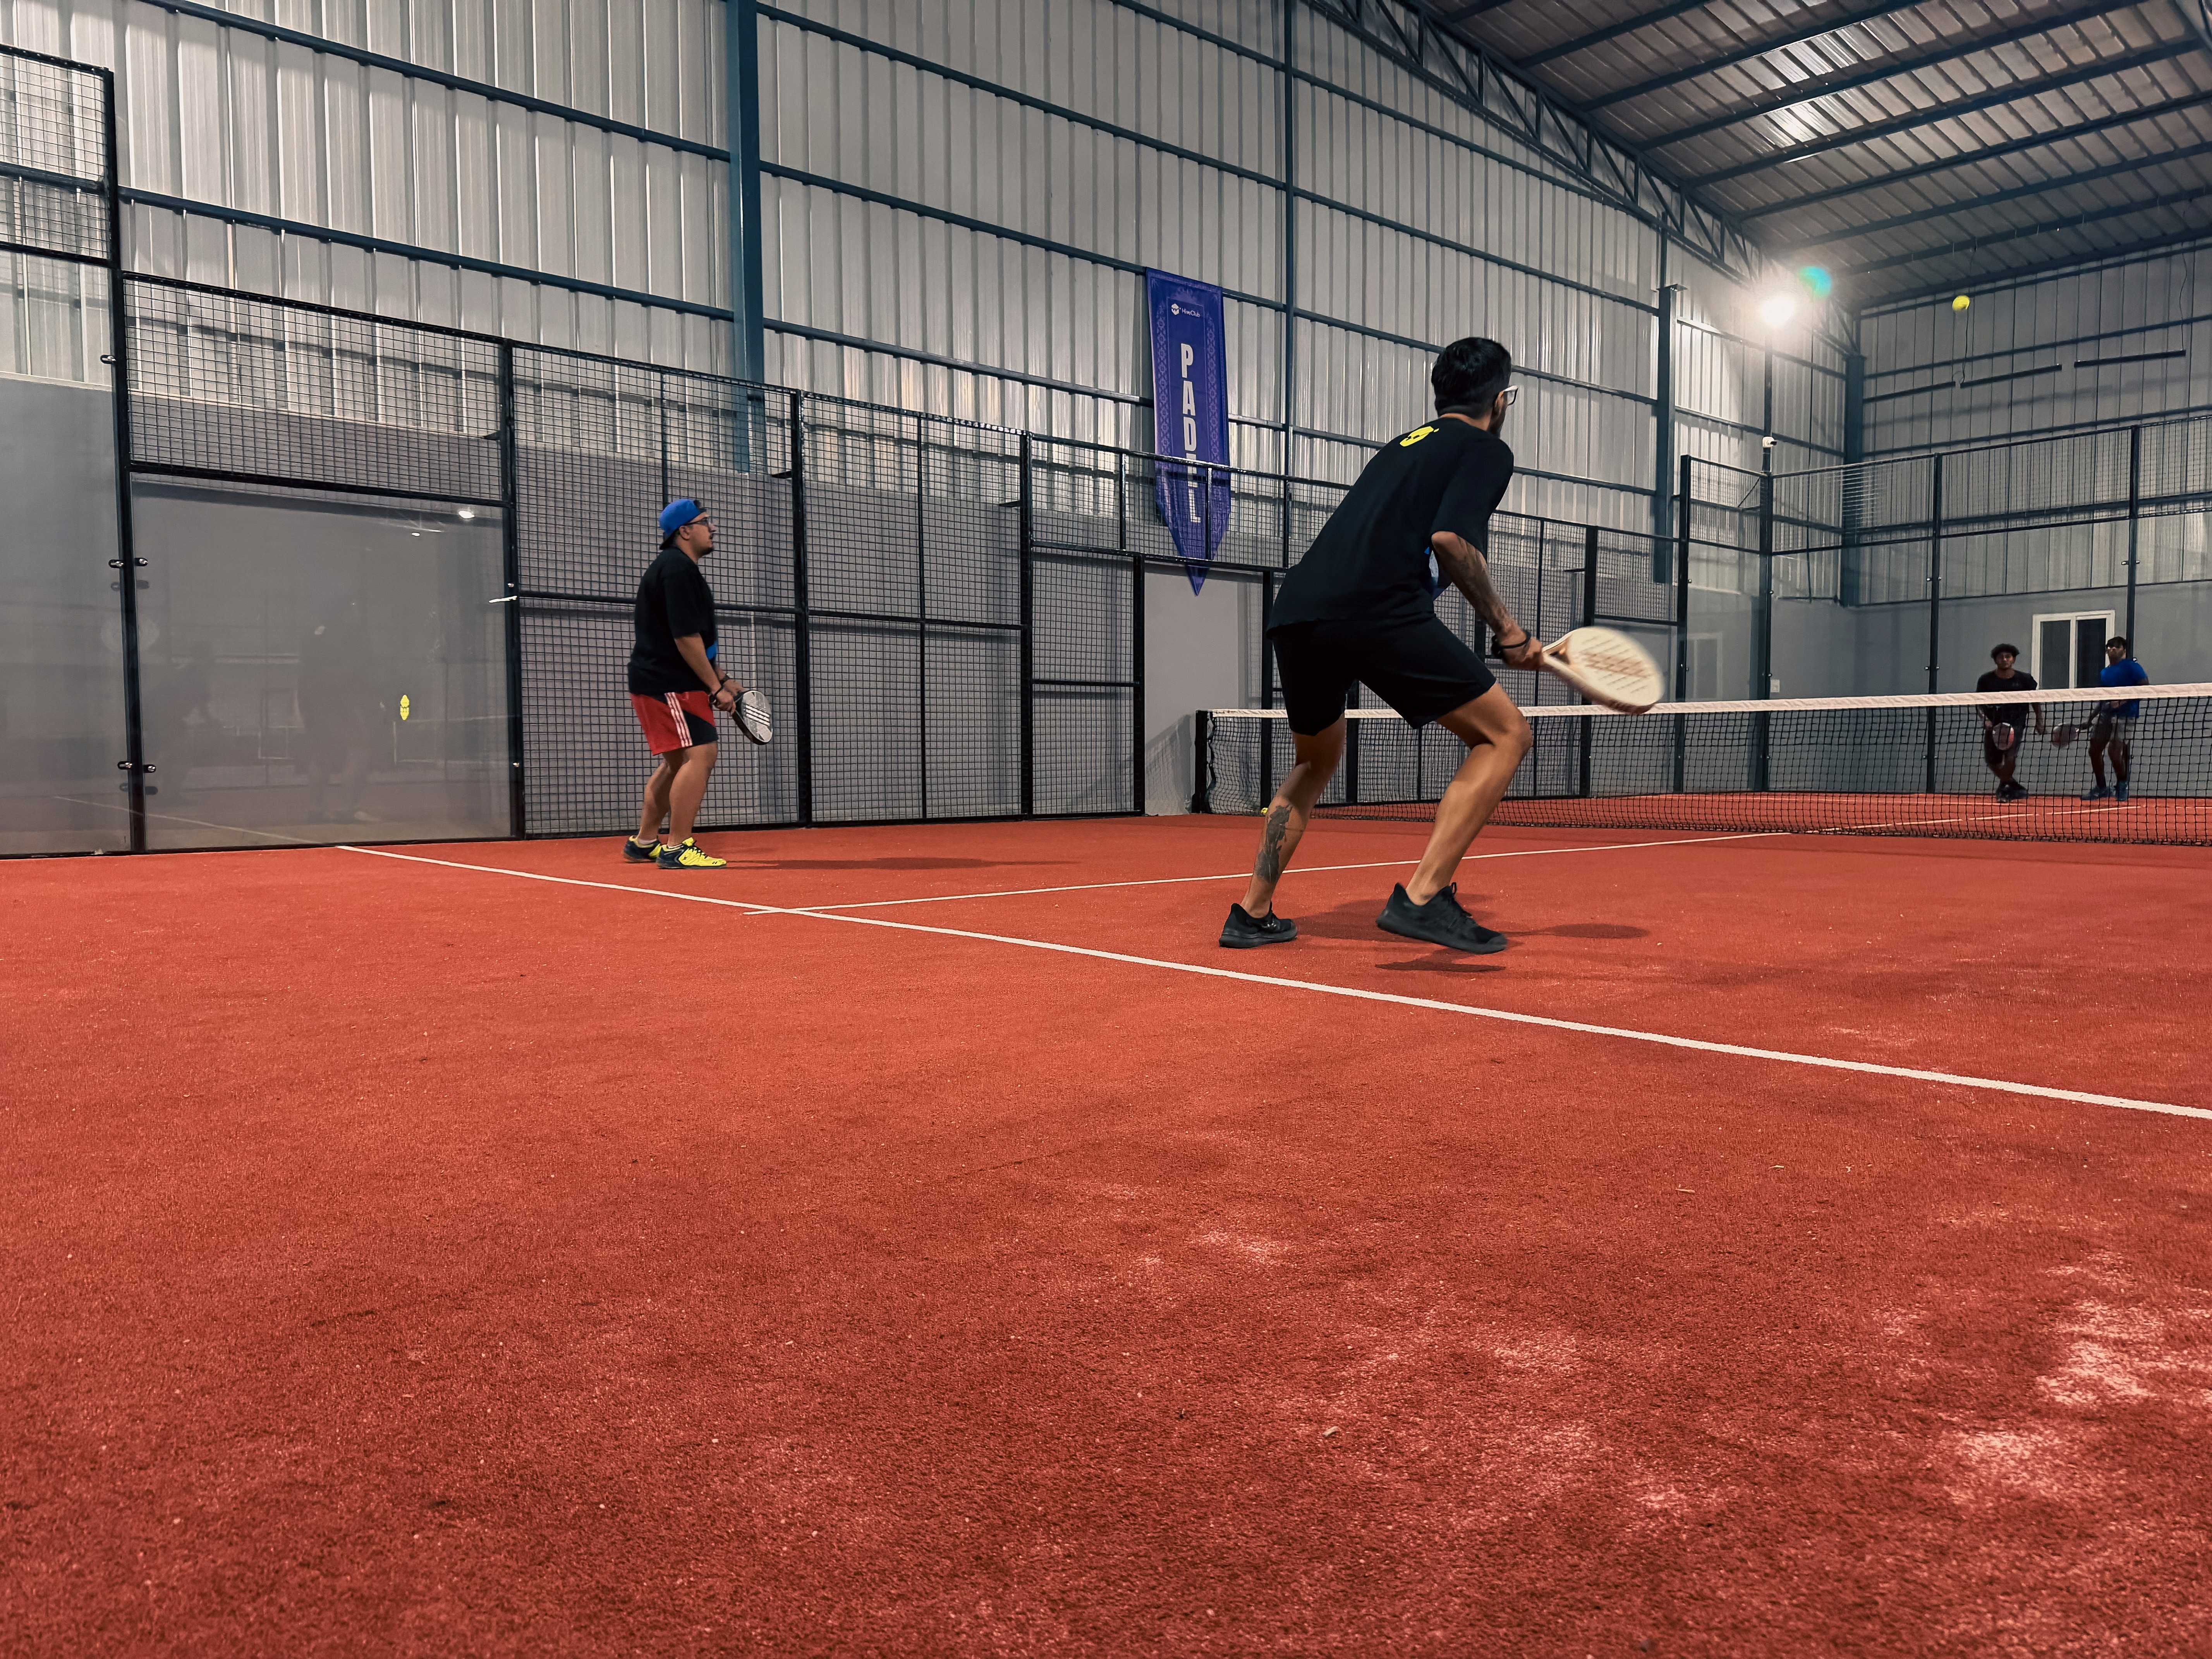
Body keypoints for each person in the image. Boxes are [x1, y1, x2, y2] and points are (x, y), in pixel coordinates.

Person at [1220, 337, 1539, 955]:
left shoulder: (1403, 446)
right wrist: (1508, 629)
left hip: (1300, 612)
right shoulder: (1485, 449)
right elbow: (1451, 540)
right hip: (1376, 609)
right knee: (1506, 735)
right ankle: (1424, 897)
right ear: (1502, 401)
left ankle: (1251, 912)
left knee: (1314, 763)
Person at [624, 499, 745, 870]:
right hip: (670, 682)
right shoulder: (677, 569)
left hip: (662, 679)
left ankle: (645, 843)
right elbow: (684, 638)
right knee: (703, 755)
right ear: (685, 531)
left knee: (677, 762)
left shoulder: (677, 569)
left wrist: (721, 677)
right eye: (705, 522)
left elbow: (689, 639)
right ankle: (677, 848)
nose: (713, 528)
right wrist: (715, 688)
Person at [1973, 643, 2044, 801]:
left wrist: (2039, 720)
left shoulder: (2025, 680)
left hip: (2017, 722)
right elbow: (1979, 704)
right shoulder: (1986, 681)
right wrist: (1986, 720)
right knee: (1992, 761)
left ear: (2013, 660)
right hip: (1994, 725)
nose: (2005, 660)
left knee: (2010, 756)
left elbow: (2035, 700)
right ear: (1996, 661)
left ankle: (2005, 790)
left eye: (2008, 657)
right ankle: (2011, 785)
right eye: (2001, 657)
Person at [2083, 635, 2148, 803]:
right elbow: (2104, 699)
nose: (2112, 650)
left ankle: (2122, 785)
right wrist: (2091, 719)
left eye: (2116, 647)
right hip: (2106, 715)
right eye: (2109, 647)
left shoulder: (2133, 668)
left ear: (2123, 650)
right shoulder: (2105, 673)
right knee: (2094, 750)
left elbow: (2145, 688)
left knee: (2114, 753)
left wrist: (2123, 701)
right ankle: (2102, 788)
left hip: (2127, 716)